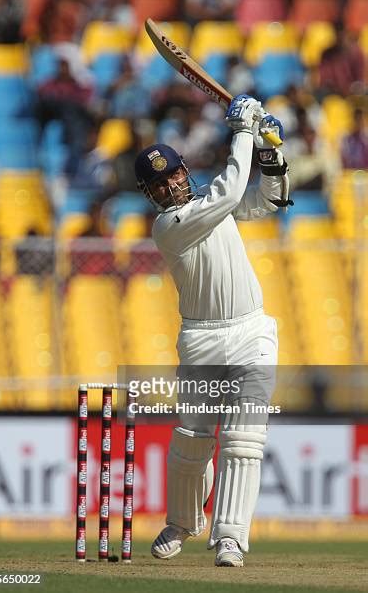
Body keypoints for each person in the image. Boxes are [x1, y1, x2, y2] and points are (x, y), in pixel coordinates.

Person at [134, 94, 292, 567]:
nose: (171, 186)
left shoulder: (206, 202)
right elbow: (229, 191)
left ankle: (230, 537)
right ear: (151, 195)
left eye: (174, 174)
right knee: (191, 440)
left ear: (185, 169)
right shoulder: (170, 226)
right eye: (159, 184)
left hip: (252, 333)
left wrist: (270, 154)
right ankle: (181, 521)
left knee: (244, 440)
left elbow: (269, 199)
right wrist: (243, 130)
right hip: (202, 340)